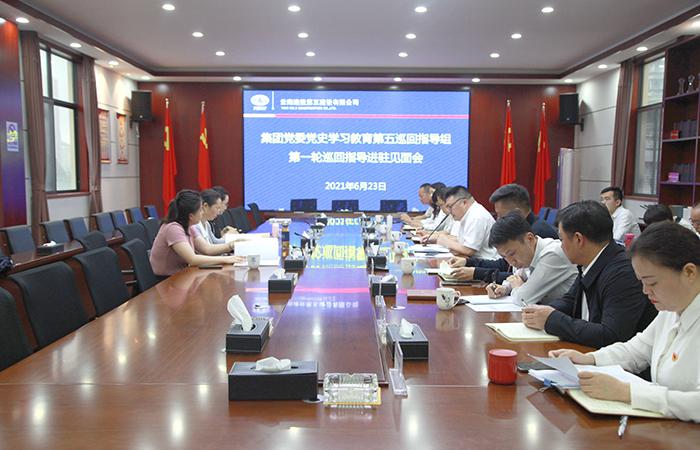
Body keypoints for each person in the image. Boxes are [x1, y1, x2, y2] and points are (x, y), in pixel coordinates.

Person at [548, 223, 700, 422]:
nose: (645, 291)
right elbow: (636, 350)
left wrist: (626, 392)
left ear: (689, 272)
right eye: (642, 282)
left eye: (652, 283)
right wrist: (589, 359)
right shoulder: (672, 308)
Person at [521, 200, 657, 348]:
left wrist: (551, 320)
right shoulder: (591, 261)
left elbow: (611, 336)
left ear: (578, 239)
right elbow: (570, 301)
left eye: (561, 239)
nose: (561, 245)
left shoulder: (623, 273)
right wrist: (541, 313)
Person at [448, 183, 557, 282]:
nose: (498, 220)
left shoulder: (538, 233)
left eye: (501, 216)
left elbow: (524, 278)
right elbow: (505, 264)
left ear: (517, 213)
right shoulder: (520, 228)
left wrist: (477, 273)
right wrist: (468, 262)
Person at [483, 212, 577, 305]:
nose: (511, 263)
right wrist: (504, 288)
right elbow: (517, 278)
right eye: (504, 257)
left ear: (529, 239)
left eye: (511, 254)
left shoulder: (552, 255)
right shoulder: (527, 254)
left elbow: (523, 299)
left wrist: (516, 287)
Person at [149, 189, 244, 276]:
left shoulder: (189, 226)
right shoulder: (173, 228)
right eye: (200, 210)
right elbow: (193, 259)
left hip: (182, 275)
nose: (203, 212)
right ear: (191, 216)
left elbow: (206, 249)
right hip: (166, 280)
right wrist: (226, 259)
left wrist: (231, 245)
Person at [425, 186, 498, 259]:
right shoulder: (467, 215)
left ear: (464, 202)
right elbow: (462, 241)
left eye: (450, 206)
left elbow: (469, 250)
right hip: (474, 260)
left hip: (486, 262)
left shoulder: (476, 216)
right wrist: (437, 239)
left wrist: (446, 242)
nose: (449, 211)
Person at [191, 189, 238, 255]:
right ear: (205, 206)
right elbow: (207, 250)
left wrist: (234, 239)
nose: (218, 212)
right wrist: (231, 244)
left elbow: (215, 242)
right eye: (217, 208)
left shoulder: (207, 223)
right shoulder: (195, 226)